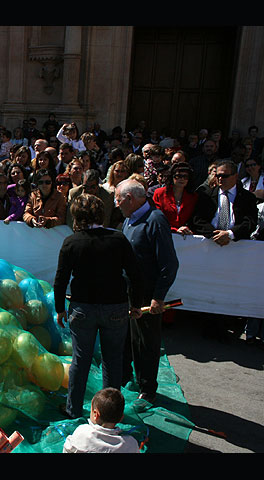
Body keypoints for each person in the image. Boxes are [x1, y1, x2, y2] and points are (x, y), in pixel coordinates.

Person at [54, 193, 143, 419]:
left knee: (80, 360)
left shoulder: (72, 242)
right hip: (115, 307)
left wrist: (59, 308)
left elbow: (61, 279)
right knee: (112, 361)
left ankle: (73, 409)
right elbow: (135, 274)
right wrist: (137, 304)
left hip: (83, 308)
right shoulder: (118, 239)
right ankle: (109, 414)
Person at [115, 178, 179, 404]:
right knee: (126, 340)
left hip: (147, 295)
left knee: (146, 343)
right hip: (129, 292)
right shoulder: (129, 219)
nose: (117, 205)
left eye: (118, 200)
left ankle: (147, 389)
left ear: (129, 199)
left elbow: (169, 264)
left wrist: (158, 296)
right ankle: (123, 379)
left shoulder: (155, 219)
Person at [190, 159, 258, 245]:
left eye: (224, 176)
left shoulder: (247, 197)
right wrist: (216, 235)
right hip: (210, 243)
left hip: (237, 245)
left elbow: (250, 221)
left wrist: (230, 234)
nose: (220, 179)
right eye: (218, 176)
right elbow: (198, 220)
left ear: (236, 176)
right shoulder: (206, 196)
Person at [62, 387, 141, 453]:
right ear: (121, 418)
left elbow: (67, 449)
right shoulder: (130, 444)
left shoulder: (82, 433)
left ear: (95, 414)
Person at [152, 162, 198, 235]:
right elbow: (157, 218)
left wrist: (186, 229)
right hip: (163, 233)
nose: (182, 179)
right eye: (178, 176)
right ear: (172, 177)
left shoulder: (193, 196)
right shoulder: (159, 193)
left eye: (185, 177)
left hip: (185, 236)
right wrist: (174, 229)